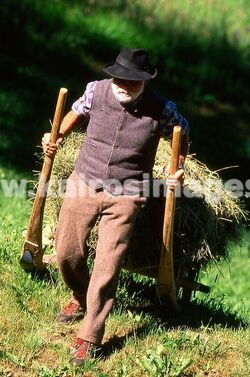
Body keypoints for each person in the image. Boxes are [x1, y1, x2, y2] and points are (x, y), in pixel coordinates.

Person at [42, 47, 189, 365]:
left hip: (128, 193)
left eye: (132, 82)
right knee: (67, 253)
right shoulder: (96, 91)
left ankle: (89, 337)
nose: (124, 85)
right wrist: (58, 135)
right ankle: (81, 296)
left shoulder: (162, 109)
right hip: (85, 180)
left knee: (107, 267)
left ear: (145, 82)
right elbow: (76, 111)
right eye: (120, 79)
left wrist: (178, 166)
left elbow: (182, 130)